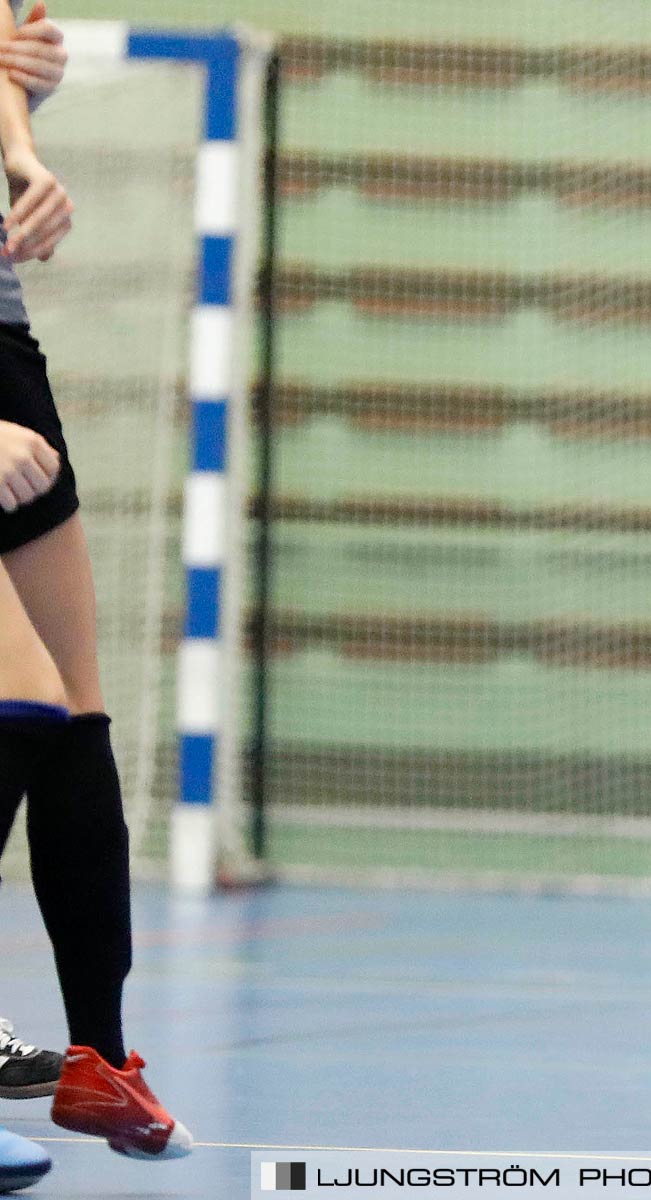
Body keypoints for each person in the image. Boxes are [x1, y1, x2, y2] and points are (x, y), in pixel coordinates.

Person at [0, 0, 191, 1163]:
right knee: (19, 702)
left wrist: (22, 149)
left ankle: (101, 1061)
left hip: (5, 338)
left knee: (76, 714)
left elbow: (7, 60)